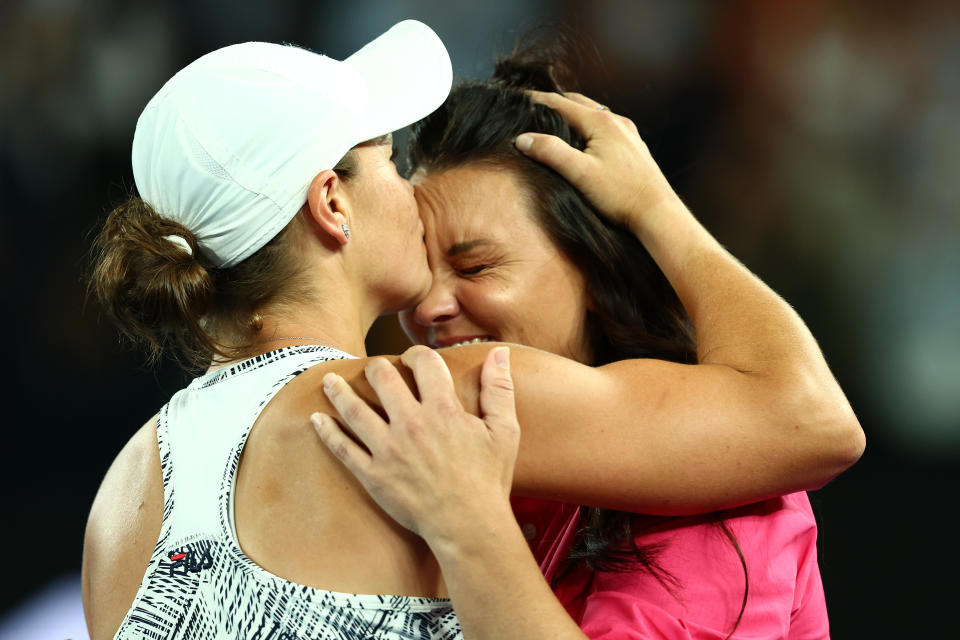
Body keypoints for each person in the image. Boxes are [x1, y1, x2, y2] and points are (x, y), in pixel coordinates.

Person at [83, 21, 862, 640]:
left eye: (477, 265)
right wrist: (656, 208)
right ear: (332, 204)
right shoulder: (431, 401)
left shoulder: (122, 497)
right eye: (386, 158)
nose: (433, 298)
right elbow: (809, 417)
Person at [310, 49, 859, 639]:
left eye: (475, 267)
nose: (428, 307)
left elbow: (817, 422)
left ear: (594, 274)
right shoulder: (435, 459)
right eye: (422, 274)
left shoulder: (715, 486)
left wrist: (654, 208)